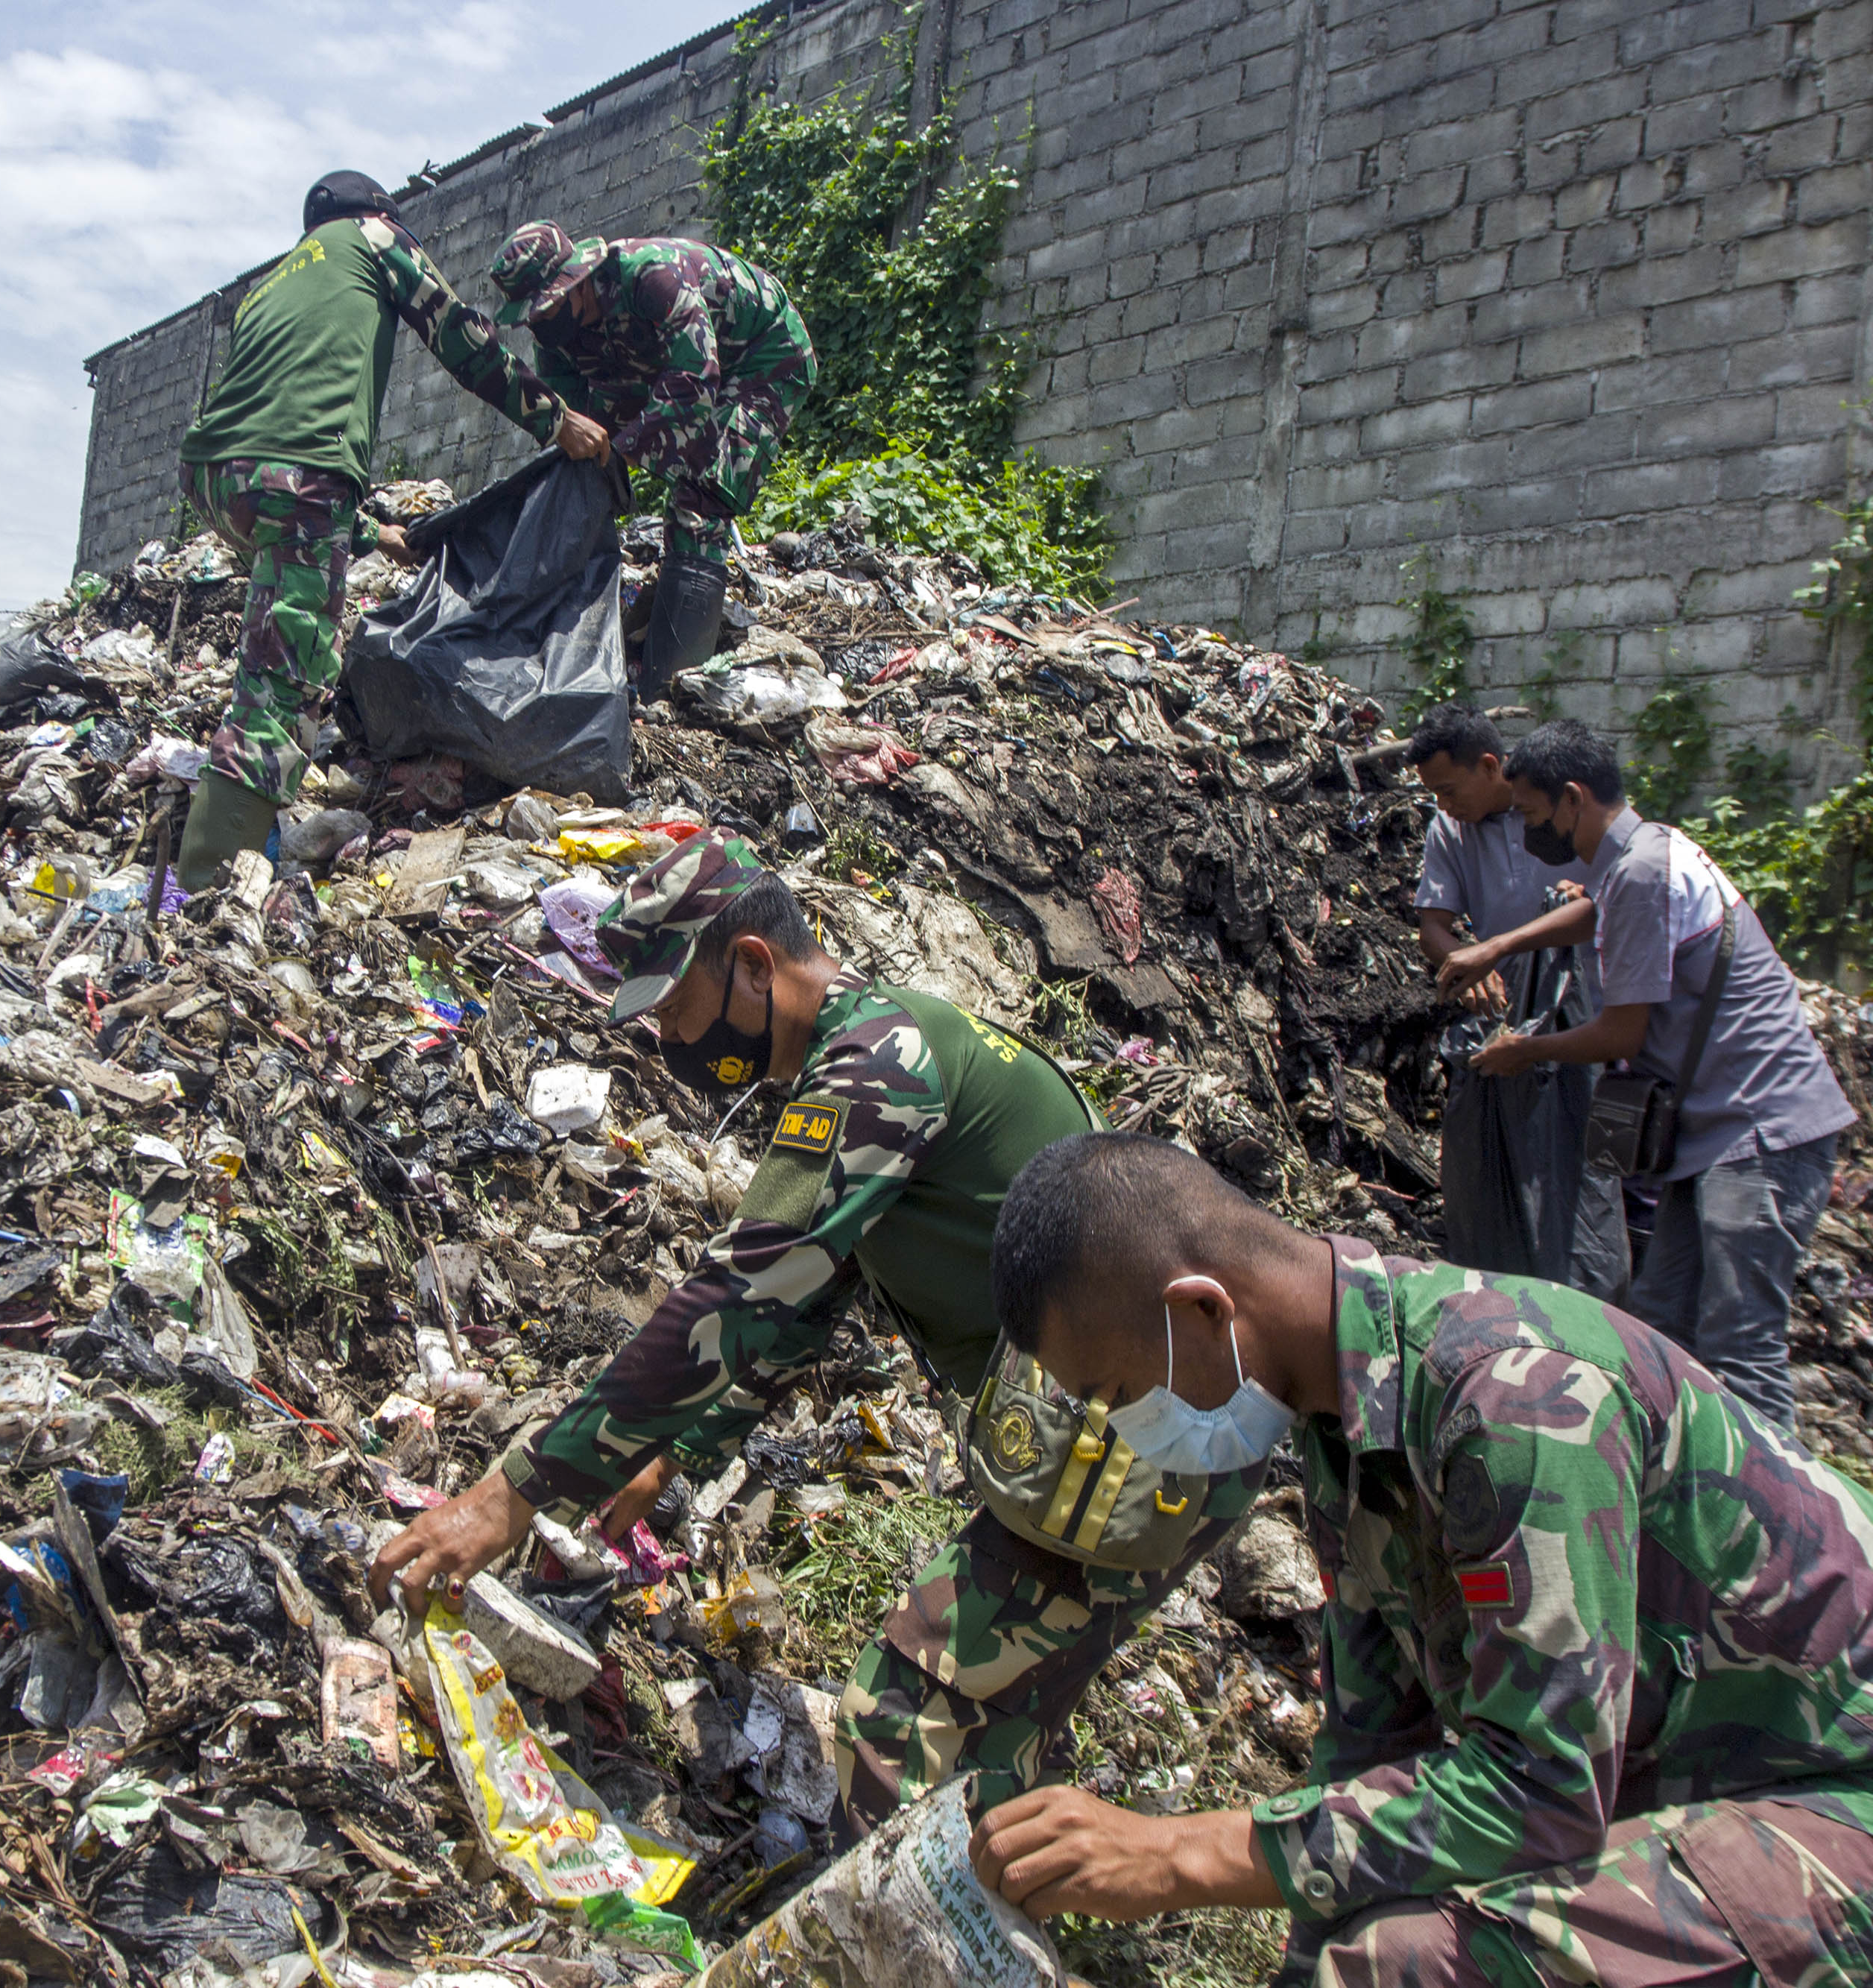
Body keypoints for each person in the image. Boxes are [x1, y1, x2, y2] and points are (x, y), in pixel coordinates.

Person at [965, 1131, 1873, 1985]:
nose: (1126, 1428)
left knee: (1406, 1961)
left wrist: (1178, 1853)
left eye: (1118, 1391)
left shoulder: (1517, 1396)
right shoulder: (1348, 1441)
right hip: (1721, 1797)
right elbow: (1373, 1764)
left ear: (1201, 1308)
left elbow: (1542, 1788)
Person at [366, 836, 1266, 1838]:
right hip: (1125, 1422)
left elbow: (740, 1290)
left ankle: (893, 1933)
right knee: (1001, 1712)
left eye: (675, 1008)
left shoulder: (878, 1063)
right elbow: (805, 1303)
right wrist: (671, 1458)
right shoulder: (871, 1048)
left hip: (1136, 1431)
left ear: (753, 964)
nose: (672, 1040)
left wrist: (513, 1490)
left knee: (907, 1708)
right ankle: (991, 1891)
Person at [173, 172, 612, 890]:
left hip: (216, 480)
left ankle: (249, 842)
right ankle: (206, 890)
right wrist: (555, 419)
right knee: (281, 682)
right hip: (298, 478)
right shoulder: (376, 239)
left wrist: (373, 533)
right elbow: (460, 336)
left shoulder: (276, 281)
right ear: (378, 212)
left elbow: (277, 419)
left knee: (282, 650)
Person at [1437, 719, 1852, 1430]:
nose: (1531, 831)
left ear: (1573, 800)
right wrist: (1499, 946)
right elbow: (1592, 918)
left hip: (1762, 1133)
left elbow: (1620, 1033)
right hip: (1716, 1137)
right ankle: (1673, 1497)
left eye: (1535, 814)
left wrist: (1525, 1051)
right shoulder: (1647, 853)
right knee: (1662, 1328)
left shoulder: (1640, 870)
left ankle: (1781, 1524)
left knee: (1740, 1347)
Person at [485, 224, 817, 697]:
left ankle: (675, 686)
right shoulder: (555, 335)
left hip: (762, 356)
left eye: (545, 307)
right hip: (661, 363)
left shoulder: (650, 277)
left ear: (575, 283)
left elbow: (694, 382)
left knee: (700, 498)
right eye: (530, 315)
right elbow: (572, 419)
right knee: (583, 462)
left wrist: (624, 449)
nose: (539, 323)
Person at [1403, 701, 1614, 1293]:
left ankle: (1595, 1301)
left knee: (1587, 1181)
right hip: (1509, 1023)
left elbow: (1608, 900)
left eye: (1449, 789)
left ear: (1491, 766)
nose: (1444, 805)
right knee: (1498, 1172)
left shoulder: (1556, 808)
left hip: (1595, 1020)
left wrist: (1495, 949)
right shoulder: (1452, 830)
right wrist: (1464, 959)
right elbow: (1433, 926)